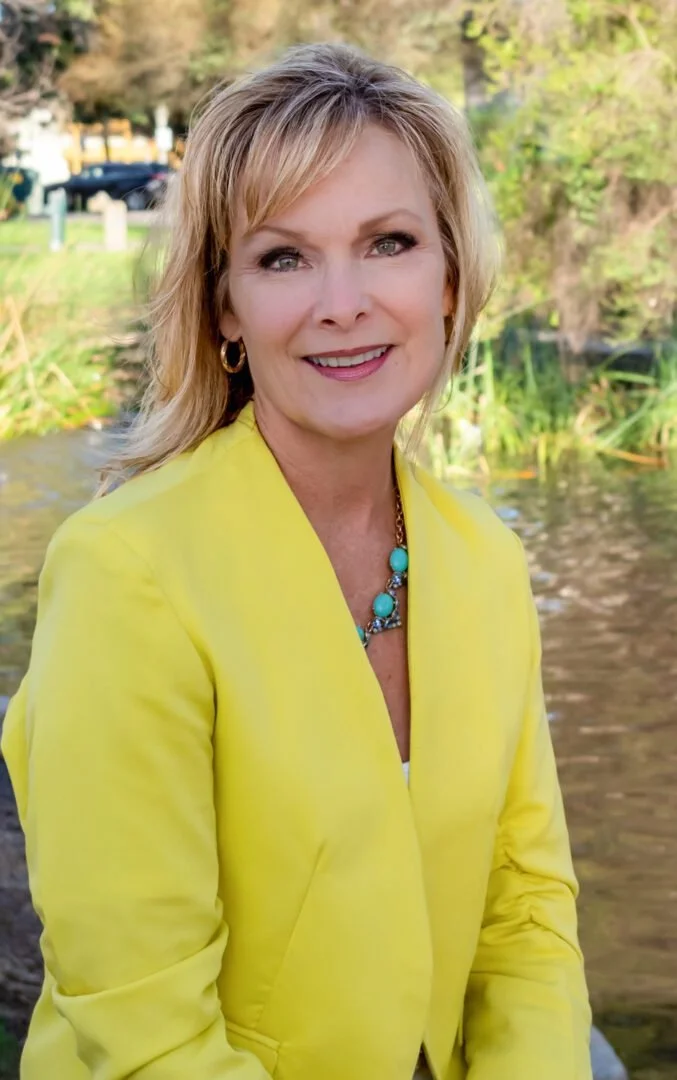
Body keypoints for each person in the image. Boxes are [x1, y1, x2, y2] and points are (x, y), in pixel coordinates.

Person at [2, 42, 592, 1080]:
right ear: (224, 306)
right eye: (283, 257)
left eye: (388, 242)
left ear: (449, 278)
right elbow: (148, 1032)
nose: (342, 302)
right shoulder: (125, 573)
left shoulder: (485, 560)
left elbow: (525, 915)